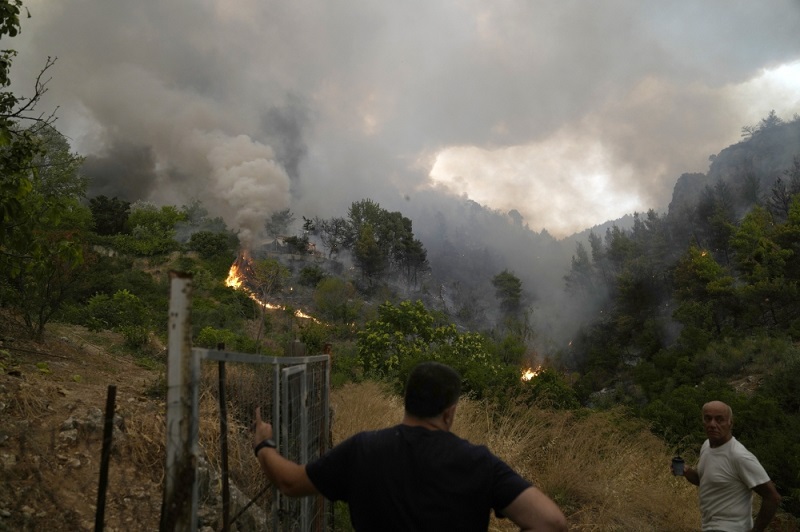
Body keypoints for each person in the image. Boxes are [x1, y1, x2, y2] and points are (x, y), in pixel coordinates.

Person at [252, 361, 568, 531]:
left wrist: (264, 444)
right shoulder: (478, 462)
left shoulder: (363, 450)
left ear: (406, 401)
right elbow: (551, 522)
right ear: (450, 412)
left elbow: (290, 482)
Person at [679, 400, 781, 532]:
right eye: (708, 419)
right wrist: (686, 471)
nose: (712, 424)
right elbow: (705, 481)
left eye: (719, 419)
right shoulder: (706, 446)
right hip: (708, 526)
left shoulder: (739, 456)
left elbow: (772, 497)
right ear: (703, 421)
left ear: (730, 423)